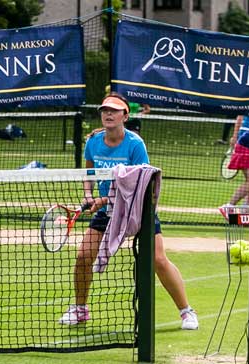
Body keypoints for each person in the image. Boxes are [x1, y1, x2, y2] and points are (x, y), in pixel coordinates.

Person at [59, 93, 198, 331]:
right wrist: (88, 195)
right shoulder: (93, 142)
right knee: (83, 257)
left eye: (114, 110)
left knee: (157, 259)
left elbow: (138, 185)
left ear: (125, 115)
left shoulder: (135, 144)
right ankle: (80, 309)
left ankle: (187, 312)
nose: (108, 114)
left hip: (138, 207)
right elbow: (89, 173)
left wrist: (102, 199)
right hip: (106, 210)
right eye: (104, 110)